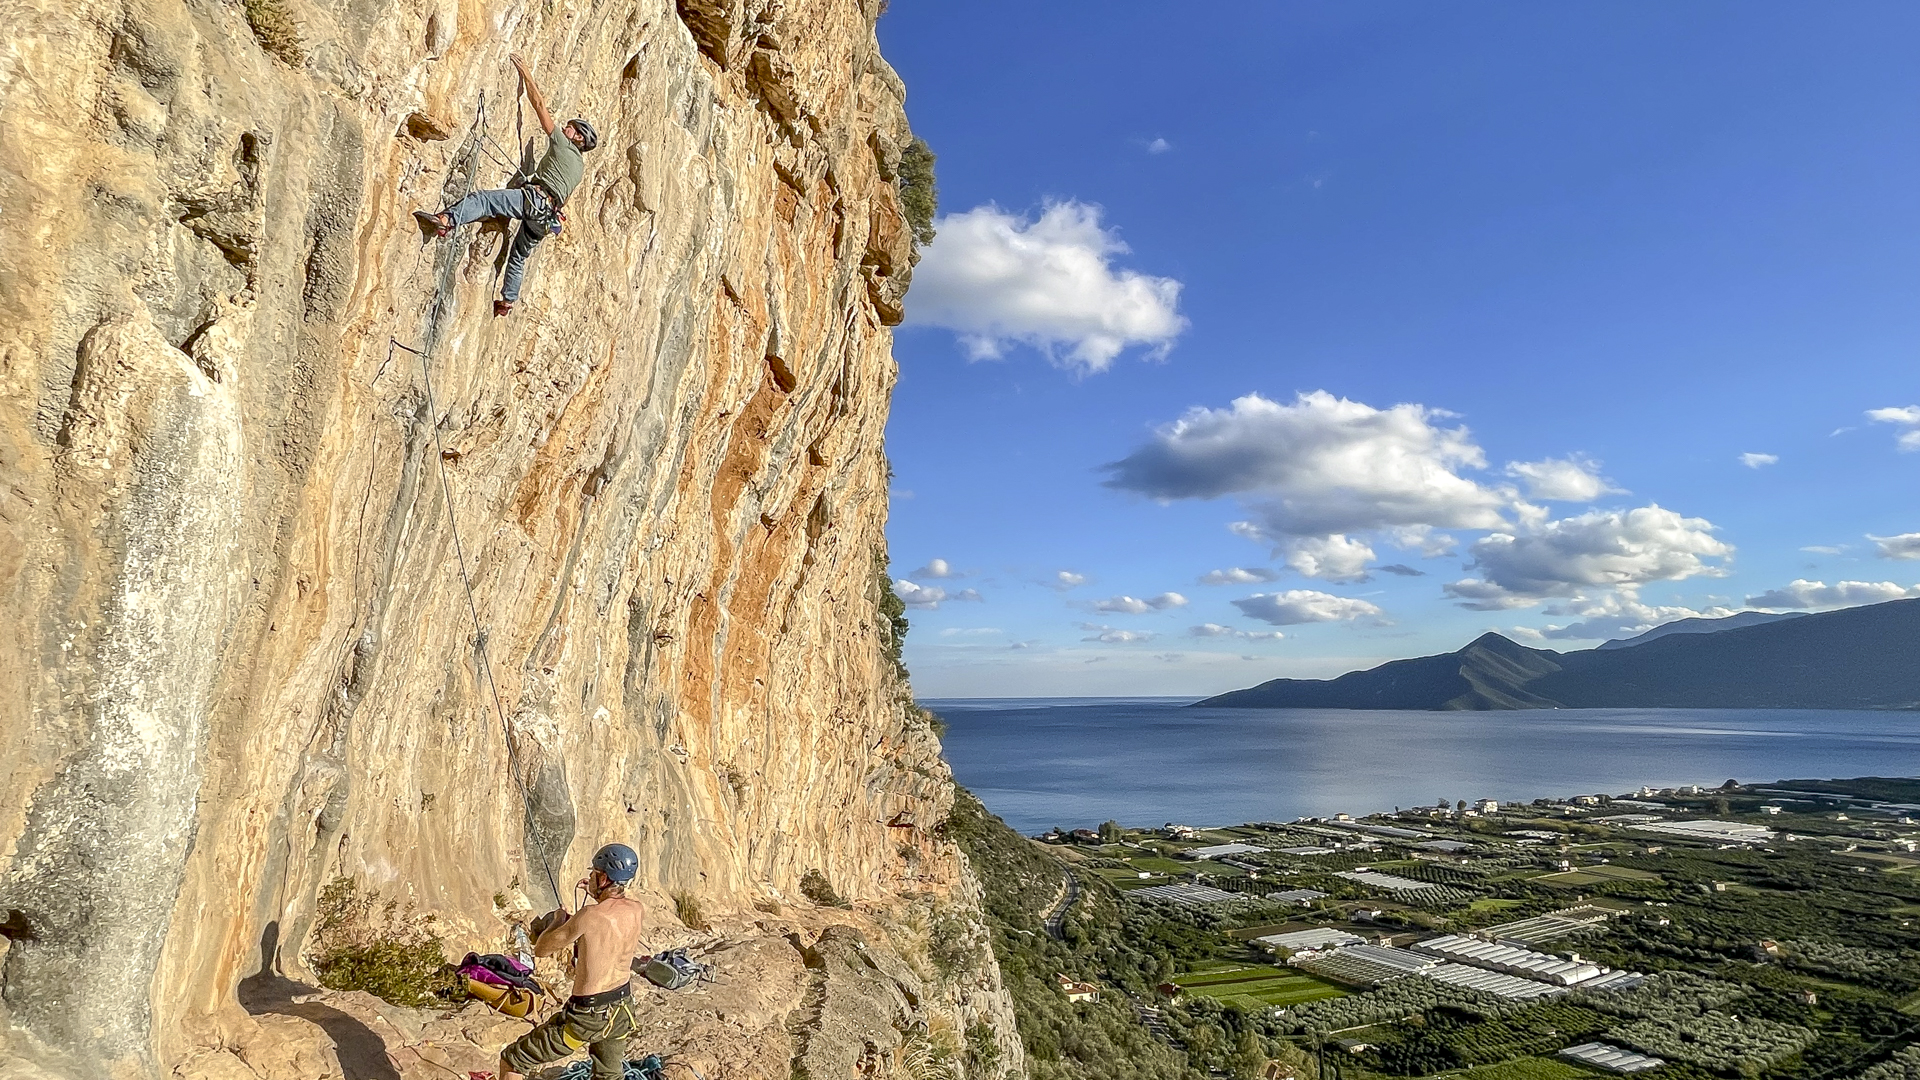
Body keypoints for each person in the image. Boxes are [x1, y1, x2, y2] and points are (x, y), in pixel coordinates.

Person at [415, 52, 598, 316]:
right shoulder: (579, 168)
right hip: (547, 216)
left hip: (534, 199)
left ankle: (446, 222)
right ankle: (508, 301)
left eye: (571, 128)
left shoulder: (563, 144)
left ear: (578, 138)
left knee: (484, 200)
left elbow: (540, 106)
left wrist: (526, 74)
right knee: (519, 256)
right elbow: (563, 195)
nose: (565, 128)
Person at [497, 843, 646, 1080]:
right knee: (609, 1075)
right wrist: (598, 892)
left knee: (514, 1060)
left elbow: (542, 949)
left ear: (604, 878)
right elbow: (611, 916)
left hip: (588, 1014)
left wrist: (558, 920)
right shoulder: (637, 910)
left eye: (594, 874)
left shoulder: (589, 916)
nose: (590, 878)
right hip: (622, 1008)